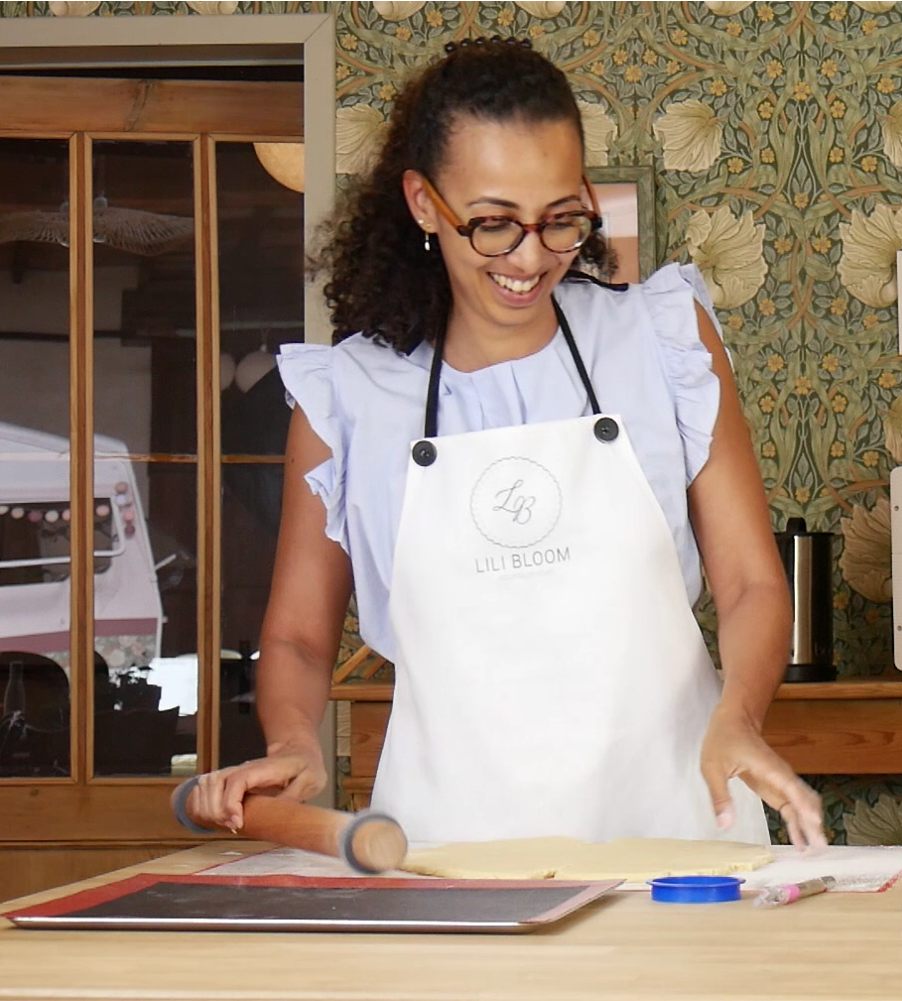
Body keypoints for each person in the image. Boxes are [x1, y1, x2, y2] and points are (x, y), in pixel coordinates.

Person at [187, 37, 825, 849]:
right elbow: (298, 637)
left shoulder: (660, 339)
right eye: (492, 224)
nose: (529, 256)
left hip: (673, 828)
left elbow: (748, 584)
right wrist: (292, 743)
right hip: (447, 852)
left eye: (560, 219)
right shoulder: (347, 396)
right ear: (424, 203)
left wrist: (739, 716)